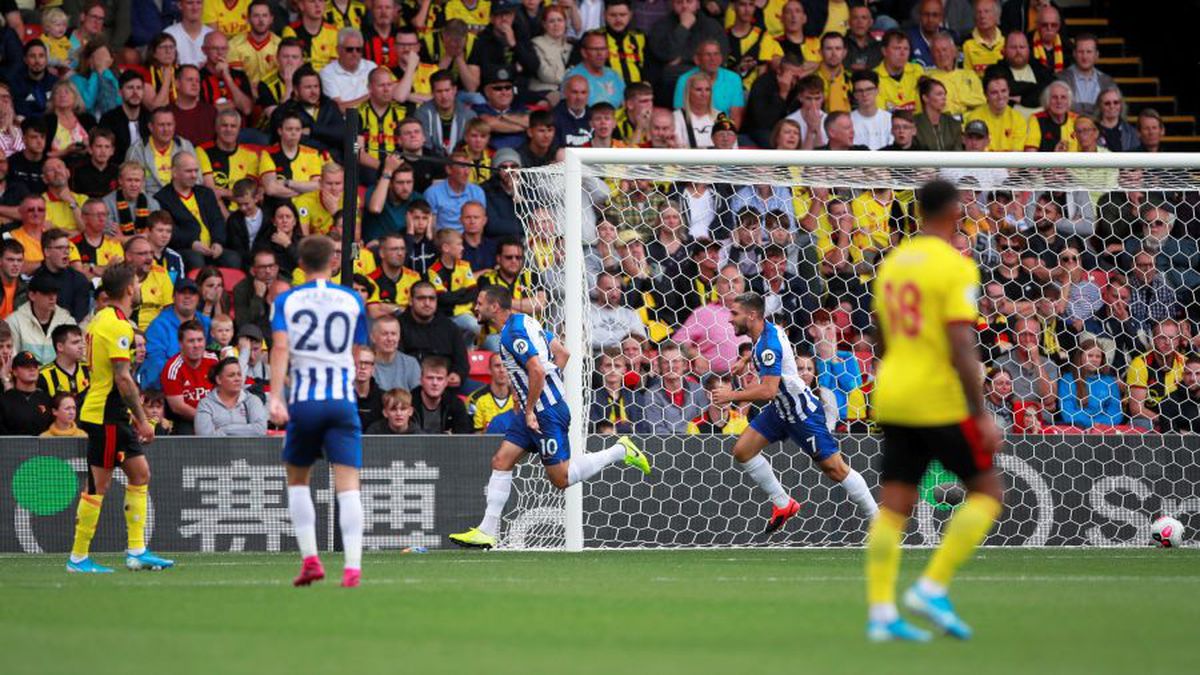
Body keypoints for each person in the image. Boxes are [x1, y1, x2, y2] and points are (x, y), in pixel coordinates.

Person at [865, 179, 1003, 642]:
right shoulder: (955, 266)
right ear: (955, 211)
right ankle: (931, 585)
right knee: (986, 492)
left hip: (893, 393)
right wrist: (980, 412)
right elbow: (962, 344)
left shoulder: (893, 263)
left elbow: (879, 337)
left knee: (893, 508)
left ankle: (882, 613)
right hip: (937, 398)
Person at [449, 285, 651, 549]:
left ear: (494, 307)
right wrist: (534, 397)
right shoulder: (526, 321)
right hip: (534, 409)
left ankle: (619, 450)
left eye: (479, 303)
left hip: (544, 413)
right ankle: (487, 531)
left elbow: (536, 370)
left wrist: (532, 406)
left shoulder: (513, 333)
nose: (475, 307)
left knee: (561, 478)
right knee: (501, 460)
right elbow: (562, 354)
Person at [712, 291, 876, 533]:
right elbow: (769, 349)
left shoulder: (768, 344)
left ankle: (878, 519)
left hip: (802, 413)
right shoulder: (767, 331)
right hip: (780, 409)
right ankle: (783, 503)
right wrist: (746, 360)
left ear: (752, 314)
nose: (730, 319)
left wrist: (731, 396)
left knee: (836, 469)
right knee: (743, 451)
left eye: (735, 314)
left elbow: (768, 390)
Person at [267, 235, 369, 588]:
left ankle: (311, 559)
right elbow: (357, 353)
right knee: (349, 485)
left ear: (300, 263)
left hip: (305, 401)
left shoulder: (286, 300)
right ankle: (353, 568)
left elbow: (280, 349)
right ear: (334, 261)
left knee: (297, 480)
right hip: (342, 400)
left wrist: (275, 396)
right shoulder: (353, 299)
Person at [67, 263, 172, 573]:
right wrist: (142, 418)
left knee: (140, 473)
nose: (139, 289)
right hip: (107, 414)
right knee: (98, 486)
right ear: (129, 289)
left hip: (111, 413)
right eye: (138, 284)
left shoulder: (102, 318)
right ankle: (78, 557)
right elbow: (123, 379)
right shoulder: (117, 326)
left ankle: (137, 551)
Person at [155, 152, 238, 270]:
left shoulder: (205, 193)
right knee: (195, 259)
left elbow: (217, 221)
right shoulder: (163, 198)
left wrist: (218, 242)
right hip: (185, 249)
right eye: (189, 171)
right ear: (174, 172)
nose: (194, 175)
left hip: (212, 248)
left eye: (196, 170)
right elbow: (169, 231)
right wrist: (192, 243)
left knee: (233, 258)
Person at [1126, 318, 1185, 431]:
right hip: (1151, 419)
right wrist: (1167, 423)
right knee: (1140, 424)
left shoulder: (1185, 364)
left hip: (1179, 418)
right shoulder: (1140, 363)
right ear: (1153, 339)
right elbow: (1136, 409)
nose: (1167, 342)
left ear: (1178, 340)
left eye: (1172, 338)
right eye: (1162, 337)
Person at [5, 273, 76, 365]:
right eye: (46, 293)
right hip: (25, 377)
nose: (52, 298)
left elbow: (75, 356)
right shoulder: (14, 322)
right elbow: (11, 359)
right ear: (32, 295)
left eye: (54, 293)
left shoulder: (67, 321)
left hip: (59, 378)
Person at [194, 356, 268, 436]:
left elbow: (260, 429)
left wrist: (225, 430)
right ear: (219, 379)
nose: (237, 379)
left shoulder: (253, 400)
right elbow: (205, 436)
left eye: (239, 375)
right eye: (231, 375)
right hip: (217, 448)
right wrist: (247, 429)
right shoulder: (206, 404)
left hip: (246, 448)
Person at [1057, 339, 1122, 428]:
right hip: (1076, 429)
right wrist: (1090, 424)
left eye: (1098, 356)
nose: (1094, 359)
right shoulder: (1067, 380)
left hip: (1104, 430)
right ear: (1080, 357)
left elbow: (1116, 411)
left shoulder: (1109, 382)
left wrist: (1099, 424)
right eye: (1090, 355)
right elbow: (1067, 411)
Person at [1057, 34, 1114, 117]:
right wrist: (1096, 108)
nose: (1085, 56)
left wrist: (1077, 107)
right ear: (1074, 54)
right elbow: (1062, 107)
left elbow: (1112, 109)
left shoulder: (1106, 81)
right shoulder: (1061, 78)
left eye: (1089, 52)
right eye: (1081, 52)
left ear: (1096, 55)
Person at [0, 350, 53, 434]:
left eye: (35, 366)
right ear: (15, 372)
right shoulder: (4, 400)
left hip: (43, 446)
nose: (32, 369)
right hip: (13, 446)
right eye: (26, 366)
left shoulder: (47, 399)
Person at [37, 323, 89, 401]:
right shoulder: (43, 375)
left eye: (81, 342)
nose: (81, 346)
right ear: (60, 347)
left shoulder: (89, 369)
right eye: (75, 343)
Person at [914, 78, 962, 152]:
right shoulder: (914, 124)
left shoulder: (953, 124)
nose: (944, 98)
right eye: (939, 94)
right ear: (925, 98)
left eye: (944, 94)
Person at [1158, 356, 1200, 433]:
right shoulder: (1169, 402)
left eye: (1198, 374)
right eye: (1188, 373)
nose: (1193, 379)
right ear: (1183, 376)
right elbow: (1169, 434)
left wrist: (1183, 432)